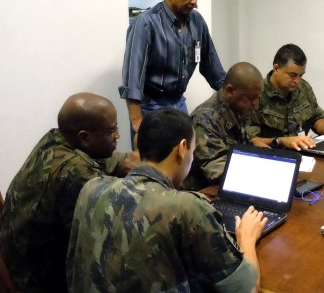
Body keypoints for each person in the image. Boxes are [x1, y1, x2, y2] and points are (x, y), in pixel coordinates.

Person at [67, 109, 266, 292]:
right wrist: (246, 238)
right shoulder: (187, 206)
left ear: (138, 142)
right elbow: (248, 289)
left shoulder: (91, 188)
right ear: (182, 148)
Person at [0, 92, 140, 292]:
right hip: (40, 280)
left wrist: (124, 161)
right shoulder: (73, 173)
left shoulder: (55, 139)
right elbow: (116, 223)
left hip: (23, 258)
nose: (117, 136)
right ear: (84, 137)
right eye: (112, 131)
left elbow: (92, 159)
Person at [119, 0, 226, 138]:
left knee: (181, 157)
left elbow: (211, 65)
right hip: (151, 106)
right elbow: (133, 74)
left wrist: (230, 93)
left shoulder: (197, 21)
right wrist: (136, 119)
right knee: (154, 162)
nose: (194, 1)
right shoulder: (146, 23)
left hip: (179, 103)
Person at [183, 62, 263, 190]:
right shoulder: (205, 118)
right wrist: (261, 174)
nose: (256, 103)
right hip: (203, 192)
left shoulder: (237, 108)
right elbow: (216, 169)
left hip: (231, 185)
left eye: (258, 97)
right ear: (230, 91)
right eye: (251, 98)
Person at [251, 43, 324, 150]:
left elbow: (316, 117)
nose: (298, 81)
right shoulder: (257, 94)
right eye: (292, 75)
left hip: (303, 153)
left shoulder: (304, 88)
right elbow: (252, 140)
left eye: (301, 75)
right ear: (276, 69)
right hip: (273, 157)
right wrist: (282, 141)